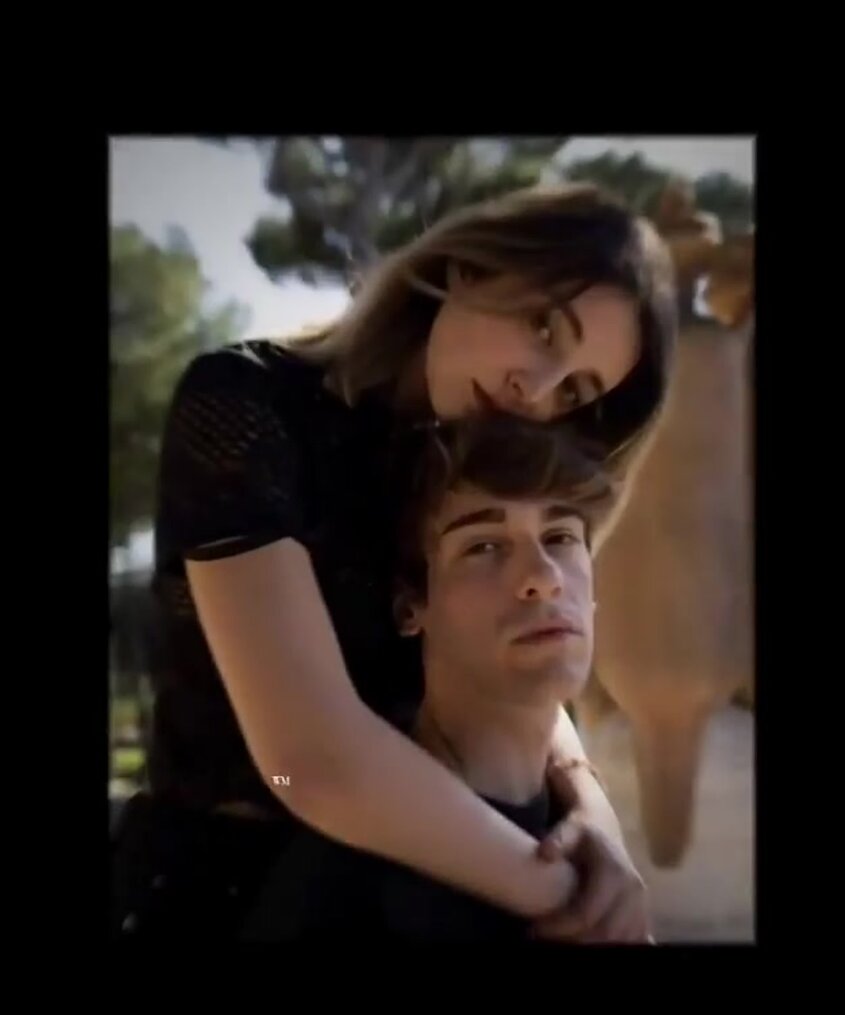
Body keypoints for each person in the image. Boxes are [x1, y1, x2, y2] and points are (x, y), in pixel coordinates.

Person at [110, 181, 677, 940]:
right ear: (469, 267)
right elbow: (307, 765)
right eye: (544, 328)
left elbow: (529, 638)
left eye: (575, 389)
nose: (536, 392)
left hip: (433, 875)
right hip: (223, 891)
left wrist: (591, 815)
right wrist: (562, 890)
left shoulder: (468, 462)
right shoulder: (249, 406)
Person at [242, 409, 653, 942]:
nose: (543, 577)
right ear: (411, 605)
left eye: (559, 537)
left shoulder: (586, 832)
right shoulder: (353, 884)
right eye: (484, 546)